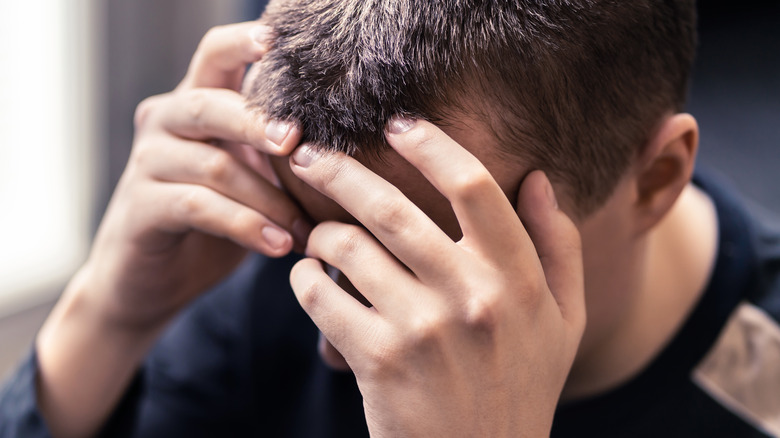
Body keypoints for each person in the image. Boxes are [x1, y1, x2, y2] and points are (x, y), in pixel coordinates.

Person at [2, 1, 779, 437]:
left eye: (415, 260)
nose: (341, 339)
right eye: (327, 240)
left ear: (657, 179)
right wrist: (105, 315)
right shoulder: (269, 271)